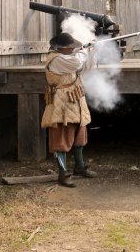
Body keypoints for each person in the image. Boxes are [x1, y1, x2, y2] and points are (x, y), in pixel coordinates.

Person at [41, 32, 97, 187]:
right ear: (62, 48)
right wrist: (84, 51)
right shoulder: (56, 59)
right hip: (61, 102)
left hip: (75, 99)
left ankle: (79, 167)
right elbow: (76, 63)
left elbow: (85, 67)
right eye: (70, 47)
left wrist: (91, 51)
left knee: (79, 134)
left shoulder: (67, 58)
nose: (73, 49)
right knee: (61, 138)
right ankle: (62, 174)